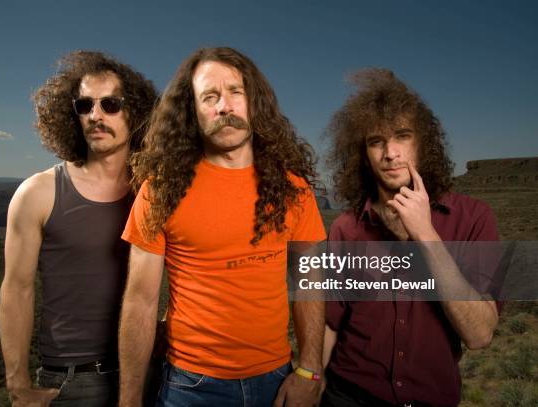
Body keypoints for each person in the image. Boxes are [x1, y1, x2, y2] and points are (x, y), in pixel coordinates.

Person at [118, 47, 326, 407]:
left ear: (253, 102)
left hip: (276, 381)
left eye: (235, 92)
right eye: (209, 97)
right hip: (190, 386)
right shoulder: (160, 190)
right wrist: (129, 400)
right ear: (193, 111)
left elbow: (309, 282)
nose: (224, 107)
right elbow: (140, 301)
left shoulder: (293, 189)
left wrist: (310, 371)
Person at [320, 68, 500, 406]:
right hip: (347, 394)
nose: (390, 153)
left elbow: (479, 334)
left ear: (423, 144)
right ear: (364, 153)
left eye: (402, 135)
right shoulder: (346, 227)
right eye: (376, 141)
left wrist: (425, 233)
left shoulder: (474, 218)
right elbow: (331, 323)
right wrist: (309, 378)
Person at [0, 50, 157, 406]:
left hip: (147, 372)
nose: (95, 116)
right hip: (69, 380)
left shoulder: (153, 192)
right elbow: (16, 290)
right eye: (85, 105)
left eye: (110, 104)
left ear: (136, 112)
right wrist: (17, 384)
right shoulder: (38, 192)